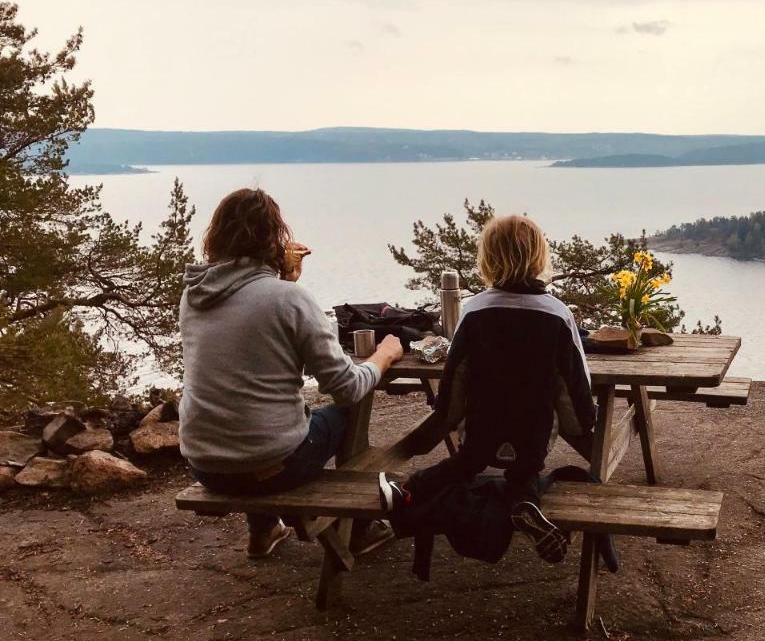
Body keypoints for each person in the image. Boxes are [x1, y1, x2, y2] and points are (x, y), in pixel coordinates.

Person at [178, 188, 405, 558]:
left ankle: (265, 529)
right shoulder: (287, 299)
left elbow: (253, 327)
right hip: (272, 467)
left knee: (262, 423)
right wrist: (383, 356)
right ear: (273, 237)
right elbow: (346, 387)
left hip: (204, 464)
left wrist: (283, 280)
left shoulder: (195, 296)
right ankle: (358, 530)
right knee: (347, 414)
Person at [378, 214, 596, 563]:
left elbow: (456, 376)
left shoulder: (475, 310)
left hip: (482, 426)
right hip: (533, 428)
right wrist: (581, 426)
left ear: (488, 259)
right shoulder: (557, 314)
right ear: (539, 258)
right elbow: (573, 385)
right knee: (526, 470)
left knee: (464, 464)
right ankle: (525, 504)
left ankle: (406, 491)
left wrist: (447, 417)